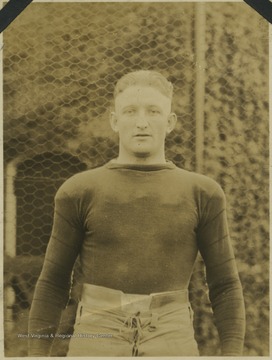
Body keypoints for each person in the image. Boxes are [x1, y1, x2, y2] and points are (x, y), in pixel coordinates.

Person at [28, 70, 245, 357]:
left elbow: (225, 283)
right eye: (130, 111)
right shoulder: (79, 191)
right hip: (98, 331)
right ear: (114, 121)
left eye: (153, 111)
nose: (141, 122)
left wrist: (233, 354)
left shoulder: (203, 193)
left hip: (172, 334)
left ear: (170, 123)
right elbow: (54, 281)